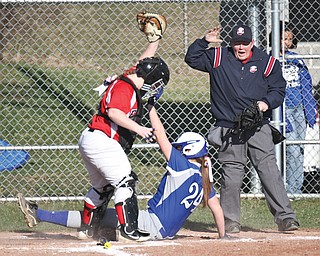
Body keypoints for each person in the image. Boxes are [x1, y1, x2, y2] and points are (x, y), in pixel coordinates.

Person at [17, 101, 228, 240]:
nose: (177, 152)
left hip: (150, 223)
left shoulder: (182, 166)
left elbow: (161, 135)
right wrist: (222, 237)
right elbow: (217, 210)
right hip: (163, 232)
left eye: (181, 149)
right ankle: (107, 234)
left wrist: (150, 106)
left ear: (188, 151)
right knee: (102, 226)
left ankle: (39, 214)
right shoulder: (204, 179)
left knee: (95, 216)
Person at [185, 23, 299, 233]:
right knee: (232, 175)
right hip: (229, 128)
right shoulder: (218, 57)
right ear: (231, 43)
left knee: (269, 172)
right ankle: (230, 221)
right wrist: (203, 42)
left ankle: (286, 218)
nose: (241, 47)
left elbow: (278, 89)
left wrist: (265, 103)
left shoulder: (266, 61)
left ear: (252, 43)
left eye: (245, 43)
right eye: (237, 43)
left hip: (258, 126)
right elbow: (191, 58)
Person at [272, 25, 317, 195]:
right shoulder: (271, 58)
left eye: (290, 39)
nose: (287, 42)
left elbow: (306, 84)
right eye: (283, 38)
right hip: (282, 109)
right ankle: (287, 190)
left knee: (299, 149)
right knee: (289, 149)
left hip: (299, 109)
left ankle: (294, 189)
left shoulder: (296, 59)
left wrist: (310, 109)